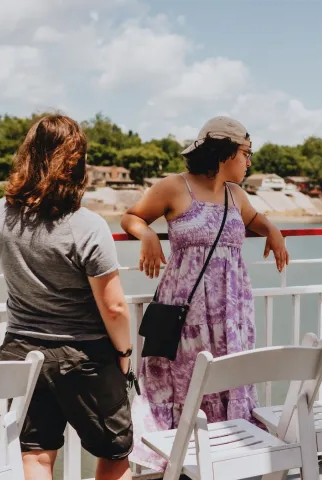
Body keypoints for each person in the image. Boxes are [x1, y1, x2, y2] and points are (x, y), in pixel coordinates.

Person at [120, 116, 289, 470]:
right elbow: (131, 218)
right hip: (186, 313)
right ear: (225, 152)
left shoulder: (235, 194)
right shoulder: (174, 187)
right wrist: (148, 235)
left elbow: (254, 219)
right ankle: (181, 461)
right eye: (246, 152)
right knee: (183, 381)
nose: (249, 161)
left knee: (227, 378)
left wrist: (271, 229)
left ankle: (225, 459)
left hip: (231, 314)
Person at [0, 114, 133, 480]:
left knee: (37, 455)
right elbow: (114, 306)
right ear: (77, 165)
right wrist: (124, 355)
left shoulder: (2, 213)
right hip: (84, 355)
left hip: (21, 352)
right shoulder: (87, 226)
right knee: (116, 450)